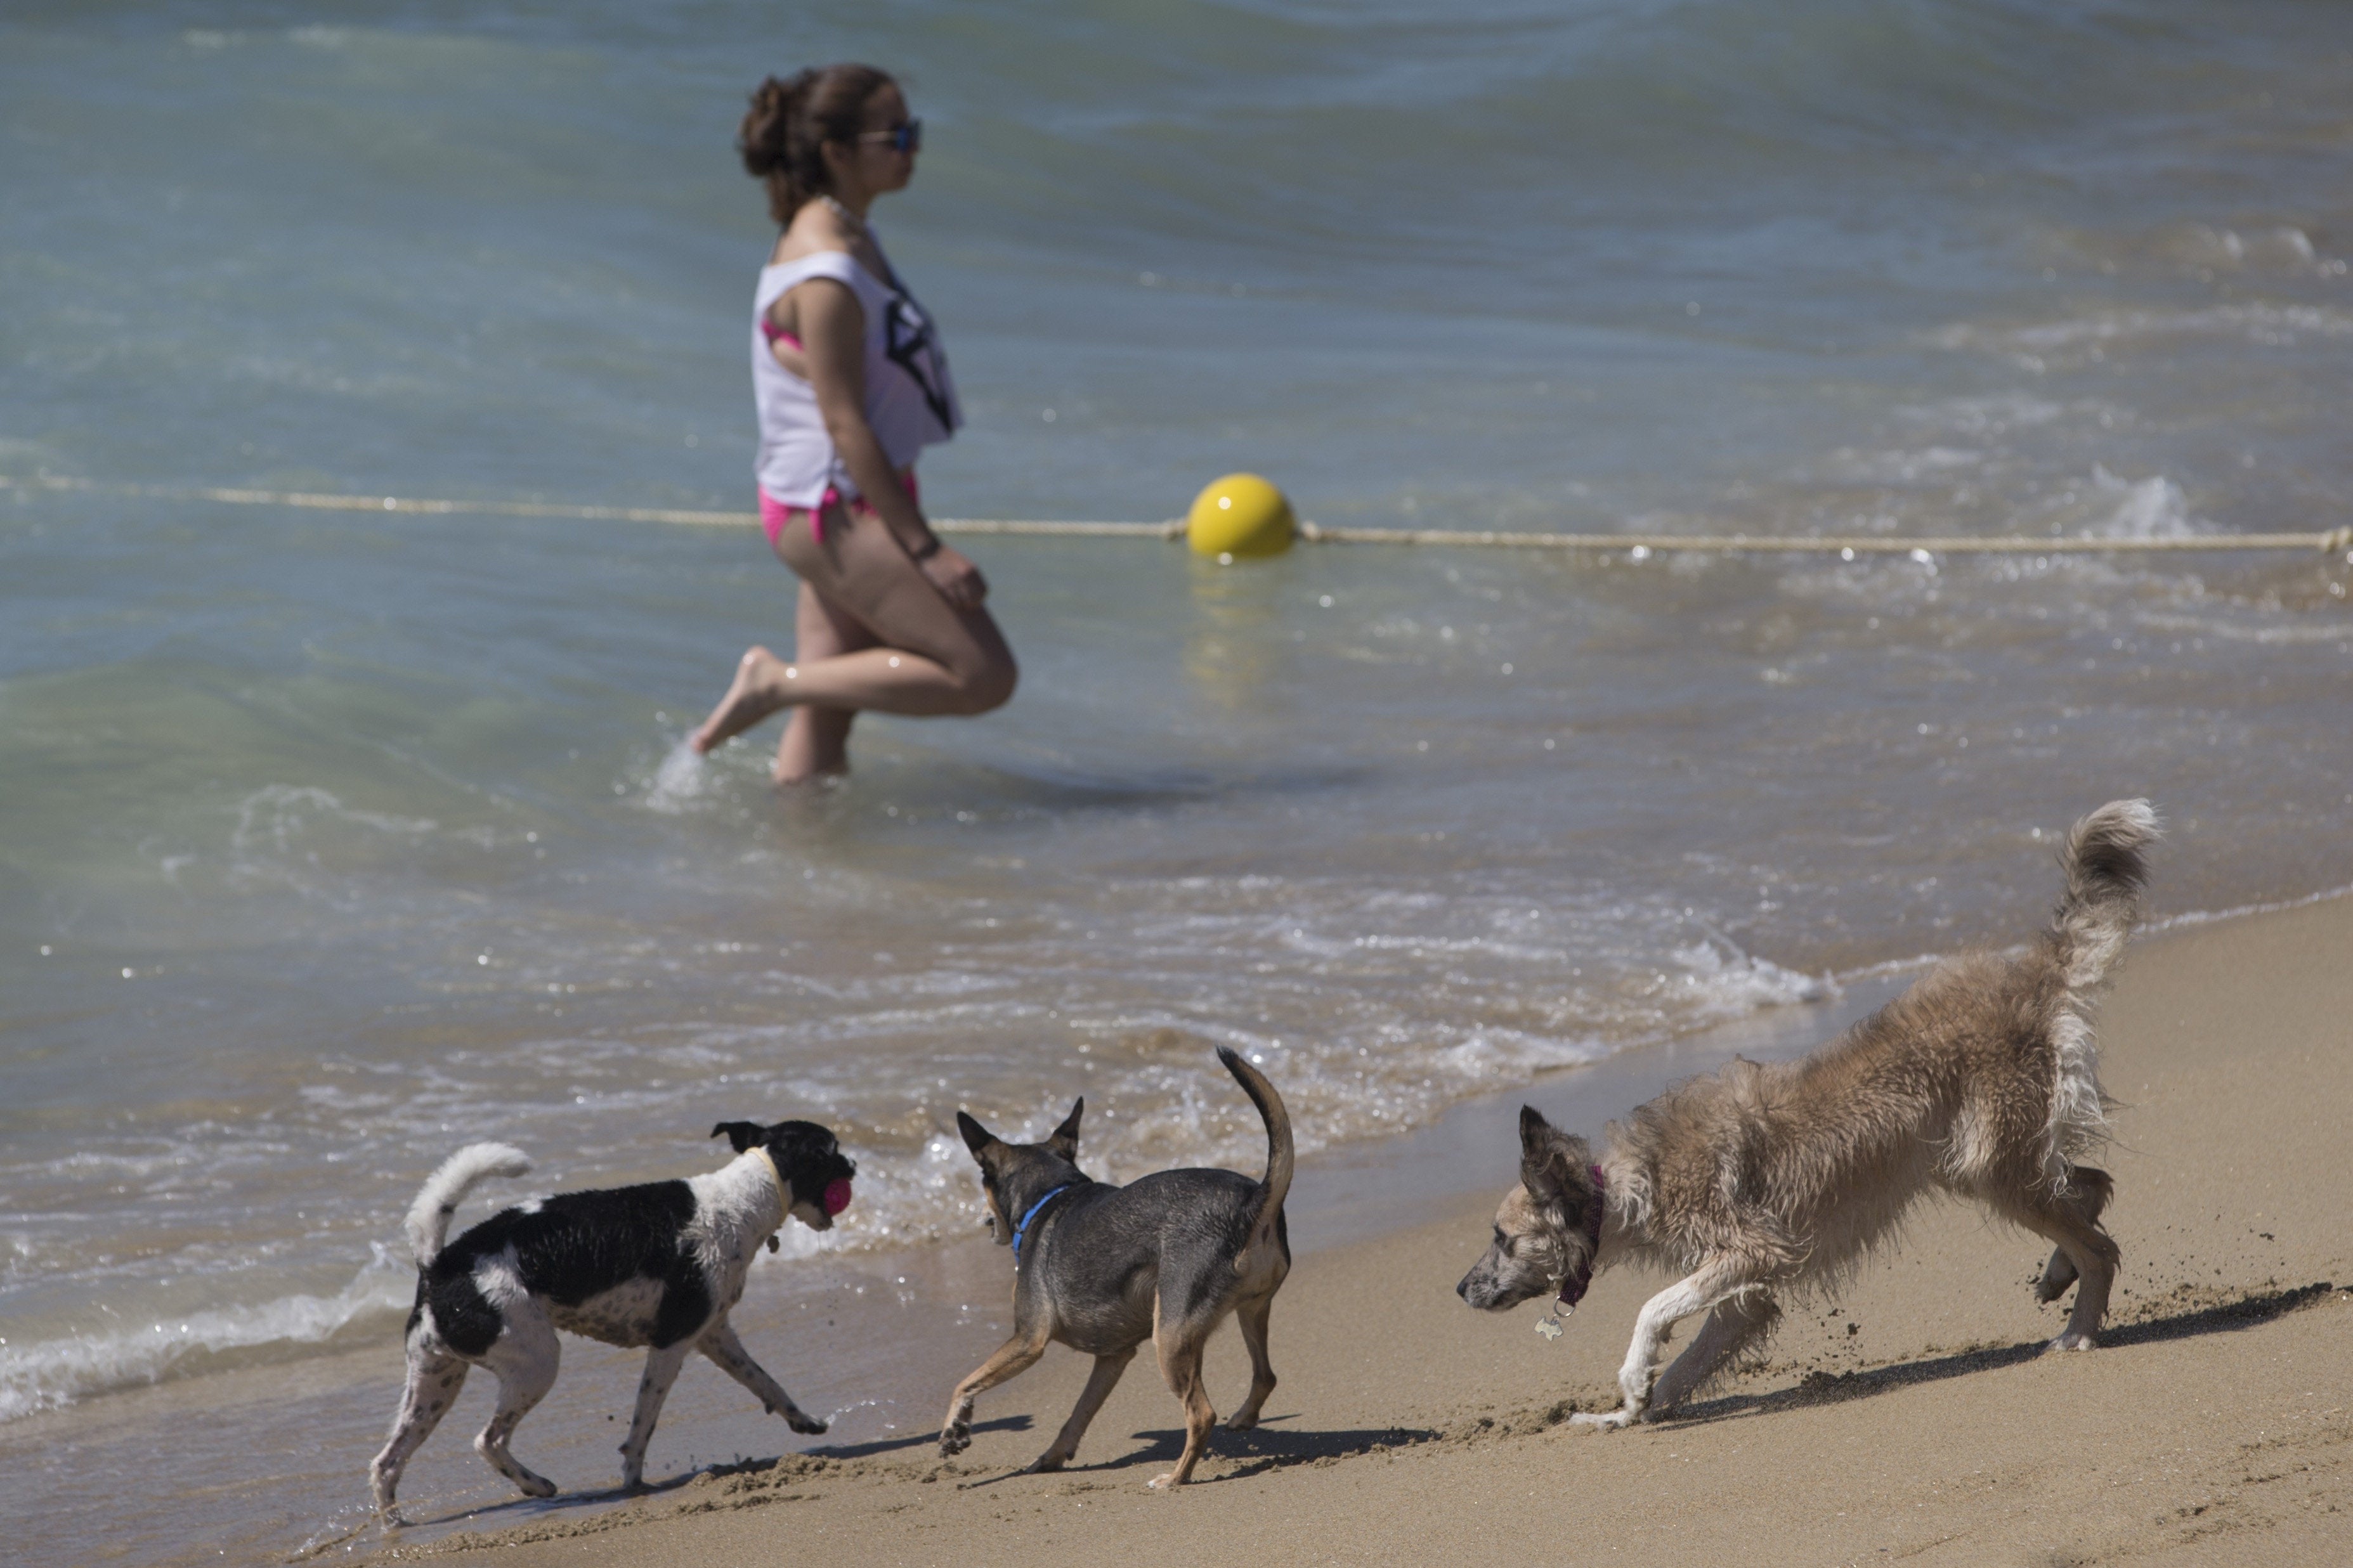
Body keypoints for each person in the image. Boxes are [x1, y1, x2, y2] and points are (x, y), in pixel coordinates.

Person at [691, 65, 1016, 781]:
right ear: (837, 151)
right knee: (982, 674)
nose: (912, 148)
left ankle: (809, 875)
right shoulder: (826, 266)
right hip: (833, 504)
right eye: (895, 135)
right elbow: (844, 423)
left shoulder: (841, 234)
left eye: (914, 131)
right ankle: (772, 684)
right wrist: (925, 550)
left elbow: (817, 362)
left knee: (830, 715)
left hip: (852, 492)